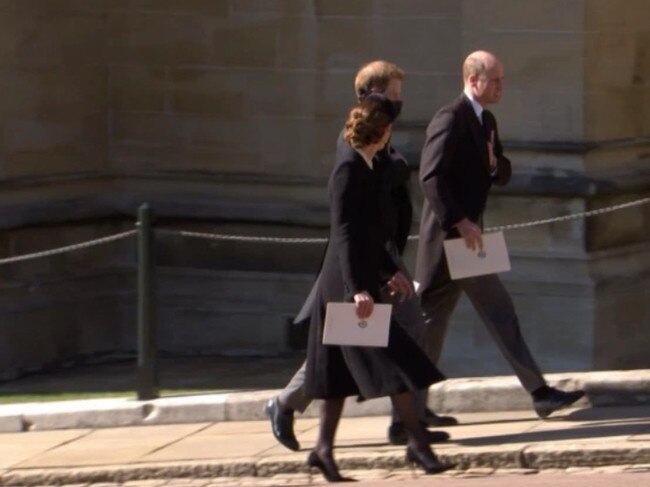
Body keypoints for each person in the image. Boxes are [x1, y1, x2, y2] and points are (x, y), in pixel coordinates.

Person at [265, 61, 455, 453]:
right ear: (372, 94)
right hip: (361, 258)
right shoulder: (355, 137)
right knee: (348, 340)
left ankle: (405, 422)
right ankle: (289, 405)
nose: (400, 104)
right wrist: (369, 278)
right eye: (394, 95)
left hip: (381, 252)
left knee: (391, 329)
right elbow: (354, 215)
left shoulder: (380, 133)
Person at [414, 50, 585, 419]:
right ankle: (538, 393)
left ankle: (409, 414)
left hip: (468, 239)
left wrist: (493, 164)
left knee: (434, 322)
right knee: (490, 312)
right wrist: (460, 221)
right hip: (452, 238)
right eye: (495, 80)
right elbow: (430, 178)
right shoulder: (450, 118)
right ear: (473, 81)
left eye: (502, 80)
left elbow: (502, 171)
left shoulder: (485, 120)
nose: (501, 87)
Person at [303, 96, 451, 482]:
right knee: (397, 361)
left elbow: (371, 233)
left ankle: (323, 450)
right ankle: (418, 444)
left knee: (337, 375)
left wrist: (389, 271)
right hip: (344, 286)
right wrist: (358, 290)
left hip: (360, 279)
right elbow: (346, 235)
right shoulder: (348, 170)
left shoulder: (366, 166)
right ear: (382, 132)